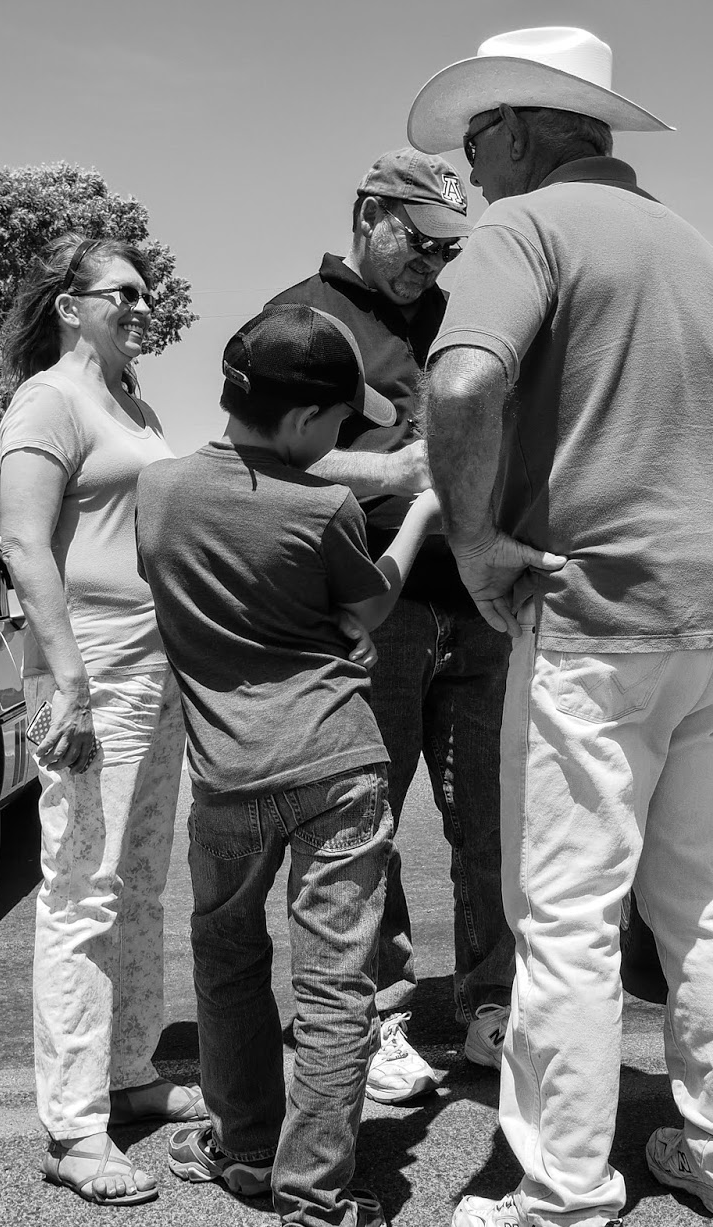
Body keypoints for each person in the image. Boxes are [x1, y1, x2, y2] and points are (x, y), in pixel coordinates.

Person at [407, 26, 713, 1227]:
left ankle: (566, 1186)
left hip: (591, 610)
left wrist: (475, 541)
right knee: (698, 890)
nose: (469, 170)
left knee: (567, 911)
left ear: (522, 127)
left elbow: (461, 381)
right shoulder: (700, 252)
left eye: (476, 140)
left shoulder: (522, 231)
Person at [138, 304, 440, 1227]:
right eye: (339, 424)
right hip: (334, 766)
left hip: (226, 774)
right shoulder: (326, 508)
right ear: (310, 422)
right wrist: (421, 509)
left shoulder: (159, 490)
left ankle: (243, 1149)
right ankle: (314, 1193)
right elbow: (364, 611)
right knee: (332, 983)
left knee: (226, 959)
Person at [267, 147, 515, 1105]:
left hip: (481, 602)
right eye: (418, 241)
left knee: (491, 817)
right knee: (362, 822)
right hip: (375, 606)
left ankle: (492, 1005)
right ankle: (378, 1015)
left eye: (448, 250)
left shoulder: (463, 321)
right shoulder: (299, 321)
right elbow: (262, 456)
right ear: (367, 212)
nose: (432, 265)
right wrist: (399, 475)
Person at [0, 233, 200, 1208]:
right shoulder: (50, 399)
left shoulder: (136, 403)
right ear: (72, 305)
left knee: (141, 879)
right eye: (121, 290)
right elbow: (20, 540)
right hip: (93, 660)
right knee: (82, 886)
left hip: (156, 659)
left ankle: (130, 1072)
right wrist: (66, 677)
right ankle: (75, 1128)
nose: (140, 302)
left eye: (145, 289)